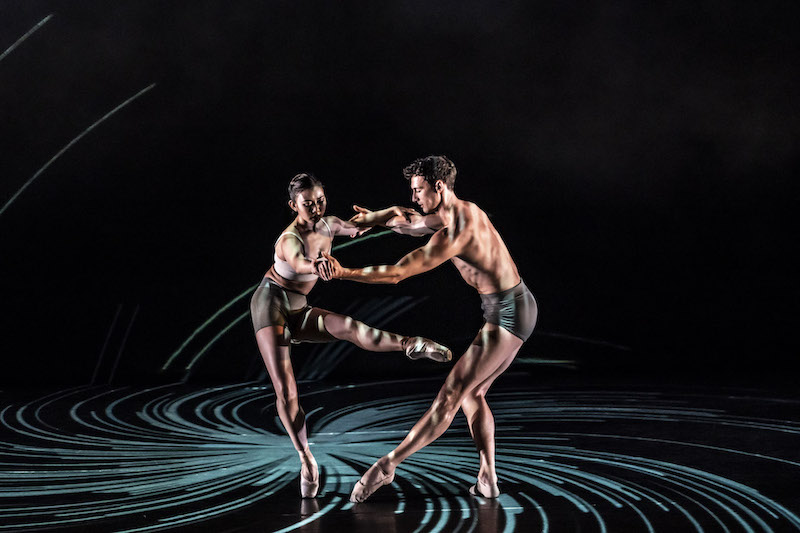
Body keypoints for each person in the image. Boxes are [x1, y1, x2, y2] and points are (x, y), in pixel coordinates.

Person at [317, 156, 537, 502]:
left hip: (509, 315)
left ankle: (388, 464)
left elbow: (397, 273)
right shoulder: (460, 210)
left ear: (439, 186)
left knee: (451, 395)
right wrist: (372, 218)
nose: (415, 196)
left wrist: (344, 273)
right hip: (512, 307)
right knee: (472, 395)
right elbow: (407, 220)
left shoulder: (458, 232)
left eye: (419, 190)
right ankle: (488, 478)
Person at [250, 173, 453, 499]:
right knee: (286, 390)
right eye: (307, 204)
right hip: (269, 306)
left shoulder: (329, 224)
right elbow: (299, 263)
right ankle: (306, 460)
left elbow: (358, 226)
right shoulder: (289, 239)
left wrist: (385, 214)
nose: (315, 208)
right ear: (293, 206)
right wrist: (317, 266)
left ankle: (409, 344)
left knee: (348, 326)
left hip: (299, 307)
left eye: (320, 200)